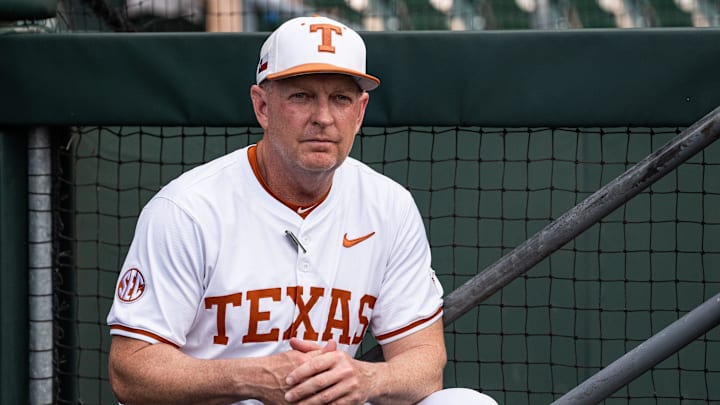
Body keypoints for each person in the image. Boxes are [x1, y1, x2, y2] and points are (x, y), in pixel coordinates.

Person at [107, 15, 497, 405]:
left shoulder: (388, 206)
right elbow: (130, 369)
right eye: (301, 96)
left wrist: (366, 378)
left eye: (340, 99)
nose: (323, 117)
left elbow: (425, 362)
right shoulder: (188, 209)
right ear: (262, 106)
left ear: (359, 112)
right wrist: (249, 378)